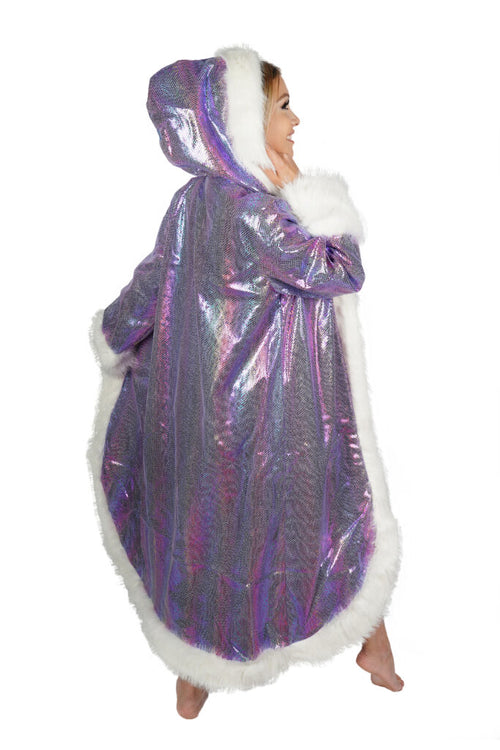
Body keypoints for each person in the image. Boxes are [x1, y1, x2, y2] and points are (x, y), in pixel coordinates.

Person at [88, 46, 403, 721]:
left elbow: (151, 285)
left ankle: (191, 676)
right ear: (243, 122)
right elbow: (340, 269)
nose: (296, 120)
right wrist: (310, 194)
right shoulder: (262, 212)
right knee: (327, 517)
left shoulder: (192, 201)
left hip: (197, 417)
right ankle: (371, 646)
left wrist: (112, 337)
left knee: (197, 535)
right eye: (283, 107)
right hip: (272, 419)